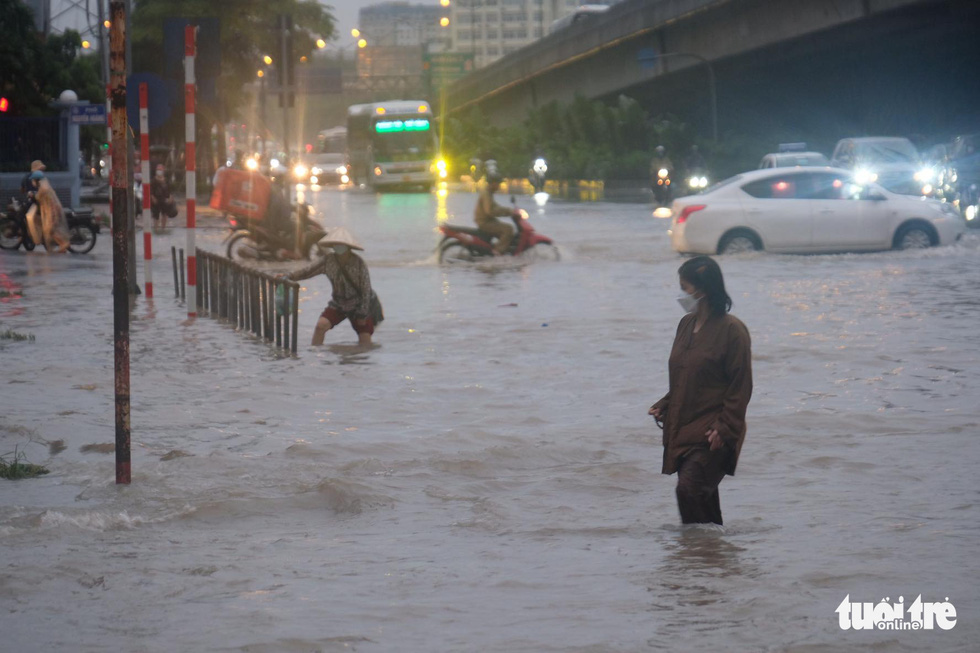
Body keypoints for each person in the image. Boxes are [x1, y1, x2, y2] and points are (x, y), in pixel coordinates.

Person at [648, 256, 752, 525]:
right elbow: (686, 375)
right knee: (702, 497)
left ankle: (697, 554)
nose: (682, 293)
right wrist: (665, 403)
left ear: (703, 289)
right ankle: (709, 558)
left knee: (689, 490)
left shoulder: (733, 330)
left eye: (686, 287)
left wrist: (724, 427)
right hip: (683, 426)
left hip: (712, 431)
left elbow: (741, 386)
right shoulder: (685, 325)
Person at [283, 228, 376, 346]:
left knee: (365, 339)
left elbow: (366, 290)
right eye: (336, 245)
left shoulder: (359, 263)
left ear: (348, 247)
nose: (339, 247)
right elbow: (308, 271)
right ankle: (315, 355)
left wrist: (362, 313)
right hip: (338, 303)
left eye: (342, 245)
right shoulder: (328, 260)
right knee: (320, 327)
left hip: (358, 305)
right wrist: (289, 276)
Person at [28, 161, 71, 253]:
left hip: (52, 210)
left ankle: (64, 243)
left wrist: (32, 195)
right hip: (51, 209)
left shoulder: (43, 189)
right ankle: (62, 245)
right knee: (51, 228)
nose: (33, 182)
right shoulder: (44, 185)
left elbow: (38, 197)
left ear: (36, 180)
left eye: (34, 181)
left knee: (50, 229)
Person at [474, 168, 516, 255]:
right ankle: (497, 251)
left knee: (505, 227)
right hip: (485, 222)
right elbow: (489, 211)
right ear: (493, 183)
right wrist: (507, 212)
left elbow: (496, 206)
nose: (499, 186)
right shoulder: (486, 194)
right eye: (498, 184)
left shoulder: (489, 193)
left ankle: (501, 249)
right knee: (508, 229)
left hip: (488, 221)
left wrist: (509, 211)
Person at [150, 164, 177, 229]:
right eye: (158, 170)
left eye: (160, 170)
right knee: (156, 216)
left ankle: (163, 228)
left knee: (164, 214)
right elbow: (151, 191)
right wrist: (152, 197)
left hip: (165, 199)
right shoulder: (153, 181)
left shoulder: (166, 180)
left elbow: (170, 190)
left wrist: (170, 197)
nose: (159, 171)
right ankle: (156, 228)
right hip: (156, 200)